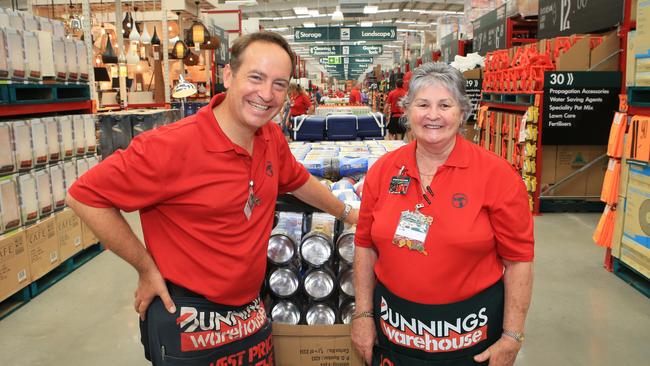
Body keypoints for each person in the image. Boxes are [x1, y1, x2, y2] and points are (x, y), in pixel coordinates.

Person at [66, 31, 358, 366]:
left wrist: (349, 213)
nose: (267, 94)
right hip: (190, 318)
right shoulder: (170, 146)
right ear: (229, 76)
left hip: (250, 313)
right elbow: (84, 196)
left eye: (279, 84)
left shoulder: (270, 137)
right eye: (256, 77)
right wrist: (145, 268)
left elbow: (297, 180)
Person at [351, 62, 534, 366]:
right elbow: (365, 245)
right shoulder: (384, 171)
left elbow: (518, 260)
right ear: (407, 111)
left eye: (444, 105)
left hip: (469, 336)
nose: (432, 115)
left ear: (462, 113)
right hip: (395, 332)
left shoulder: (497, 175)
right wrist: (363, 315)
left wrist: (512, 337)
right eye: (422, 104)